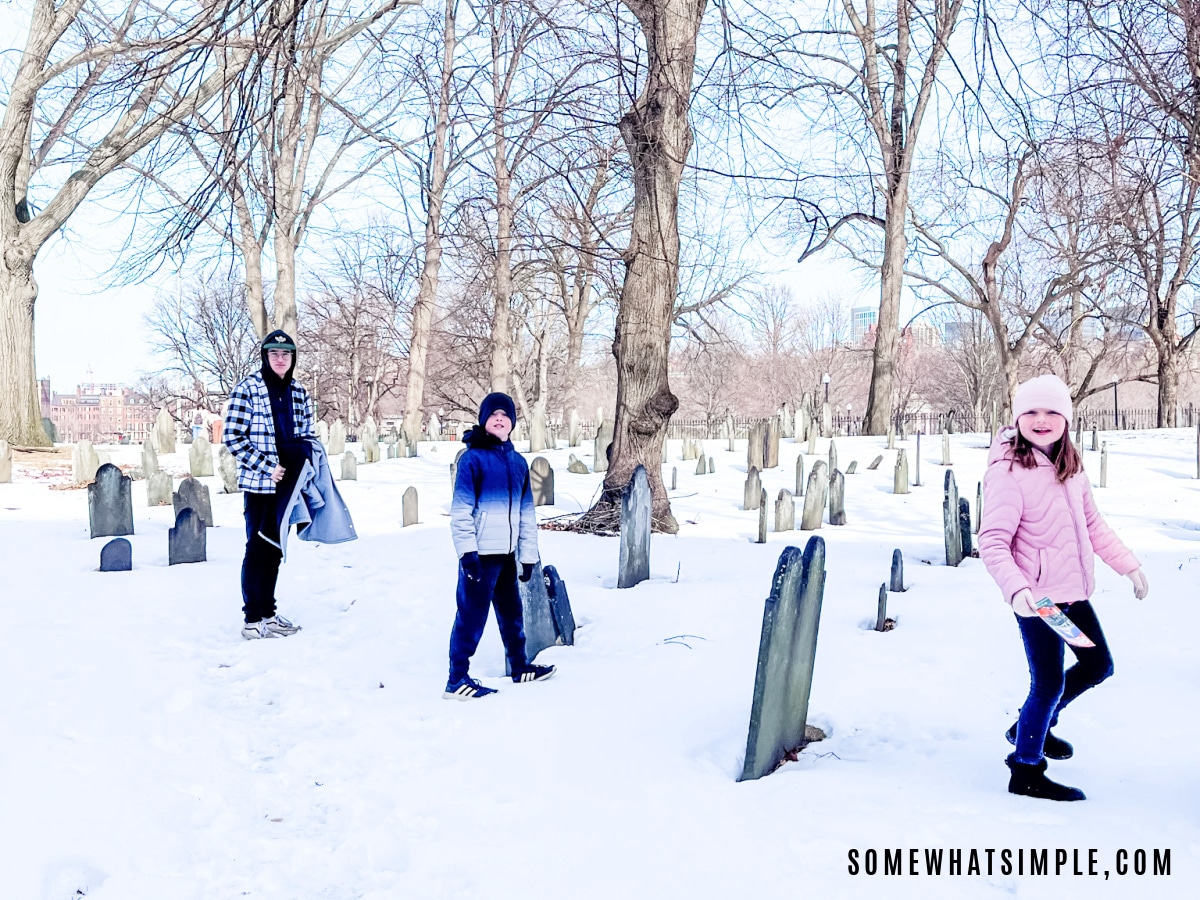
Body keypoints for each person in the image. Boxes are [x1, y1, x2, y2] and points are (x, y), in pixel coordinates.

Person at [979, 374, 1149, 801]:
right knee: (1049, 684)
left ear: (1066, 420)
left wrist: (1128, 566)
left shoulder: (1069, 466)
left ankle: (1029, 727)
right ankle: (1026, 770)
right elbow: (993, 542)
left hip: (1073, 595)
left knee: (1098, 666)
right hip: (1039, 602)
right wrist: (1019, 592)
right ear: (1017, 418)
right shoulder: (1008, 473)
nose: (1041, 420)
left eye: (1052, 411)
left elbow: (1092, 524)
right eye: (1031, 412)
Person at [446, 392, 555, 699]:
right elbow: (461, 512)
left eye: (505, 415)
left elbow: (526, 515)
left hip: (507, 555)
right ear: (484, 420)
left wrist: (527, 556)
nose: (499, 419)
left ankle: (520, 666)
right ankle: (456, 679)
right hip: (480, 555)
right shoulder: (473, 460)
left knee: (511, 612)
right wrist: (467, 553)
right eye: (492, 415)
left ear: (512, 423)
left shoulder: (519, 463)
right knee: (471, 616)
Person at [222, 330, 315, 640]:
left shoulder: (299, 392)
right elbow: (233, 436)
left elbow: (306, 435)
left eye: (285, 354)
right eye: (274, 354)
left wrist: (305, 470)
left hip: (288, 485)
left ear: (292, 358)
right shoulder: (247, 389)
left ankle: (269, 614)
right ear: (265, 356)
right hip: (259, 483)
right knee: (256, 549)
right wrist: (266, 466)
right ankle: (252, 619)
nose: (280, 359)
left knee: (275, 550)